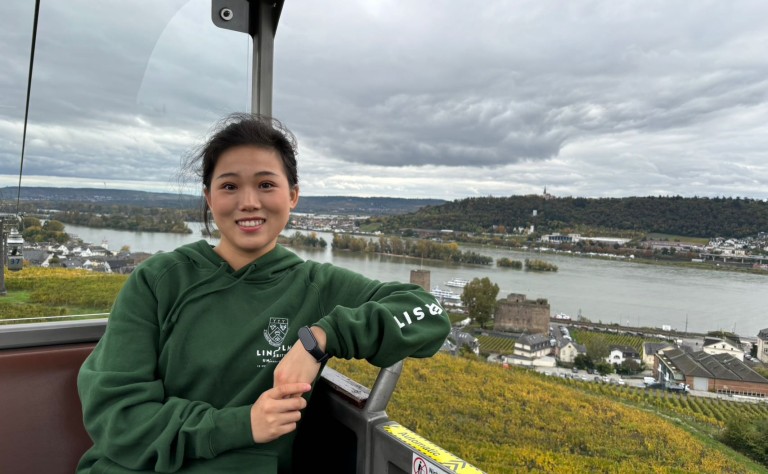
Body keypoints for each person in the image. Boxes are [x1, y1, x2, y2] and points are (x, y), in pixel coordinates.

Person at [76, 113, 451, 473]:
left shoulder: (315, 286)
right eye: (229, 186)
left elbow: (428, 313)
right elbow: (116, 415)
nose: (249, 202)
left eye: (266, 184)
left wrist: (321, 338)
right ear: (209, 198)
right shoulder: (159, 280)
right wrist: (242, 424)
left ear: (293, 196)